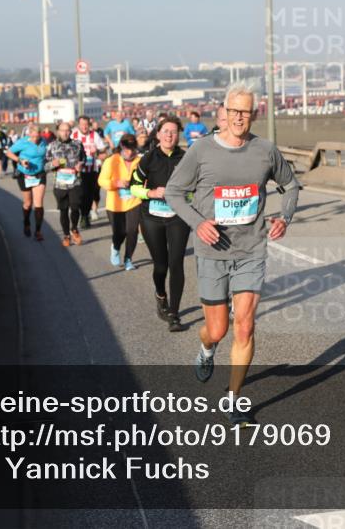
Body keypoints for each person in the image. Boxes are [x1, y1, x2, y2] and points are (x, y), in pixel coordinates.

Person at [164, 82, 300, 427]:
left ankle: (234, 398)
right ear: (223, 113)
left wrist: (284, 217)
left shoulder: (266, 151)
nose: (240, 118)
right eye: (235, 111)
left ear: (254, 114)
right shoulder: (201, 151)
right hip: (212, 251)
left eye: (247, 112)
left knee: (244, 327)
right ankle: (207, 348)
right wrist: (198, 224)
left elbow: (291, 185)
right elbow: (174, 193)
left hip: (251, 248)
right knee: (218, 329)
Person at [130, 116, 189, 332]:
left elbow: (196, 188)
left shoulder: (186, 158)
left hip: (177, 217)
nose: (169, 135)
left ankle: (174, 313)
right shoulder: (147, 159)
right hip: (151, 217)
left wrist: (183, 197)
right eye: (165, 131)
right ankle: (160, 294)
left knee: (176, 264)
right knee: (161, 265)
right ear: (157, 134)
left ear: (178, 135)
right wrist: (152, 192)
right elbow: (133, 187)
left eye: (174, 131)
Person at [99, 133, 142, 270]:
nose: (130, 152)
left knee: (132, 231)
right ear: (122, 146)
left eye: (132, 148)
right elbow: (101, 181)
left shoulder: (140, 161)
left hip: (134, 202)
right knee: (120, 232)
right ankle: (116, 246)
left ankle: (128, 259)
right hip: (115, 204)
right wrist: (116, 182)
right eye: (127, 148)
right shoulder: (111, 160)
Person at [45, 121, 86, 247]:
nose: (65, 132)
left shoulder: (78, 144)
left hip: (75, 182)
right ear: (58, 131)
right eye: (63, 130)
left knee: (75, 207)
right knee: (63, 210)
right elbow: (45, 166)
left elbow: (84, 159)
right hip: (60, 184)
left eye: (68, 130)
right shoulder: (51, 146)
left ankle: (74, 229)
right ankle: (66, 235)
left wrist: (81, 165)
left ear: (71, 131)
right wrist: (53, 164)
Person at [6, 124, 49, 241]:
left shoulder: (44, 141)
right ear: (29, 134)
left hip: (39, 174)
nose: (35, 139)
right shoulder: (23, 142)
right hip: (24, 175)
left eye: (37, 136)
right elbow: (9, 152)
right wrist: (20, 160)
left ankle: (38, 231)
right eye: (33, 136)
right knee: (27, 203)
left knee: (38, 203)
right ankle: (26, 223)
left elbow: (48, 154)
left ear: (40, 134)